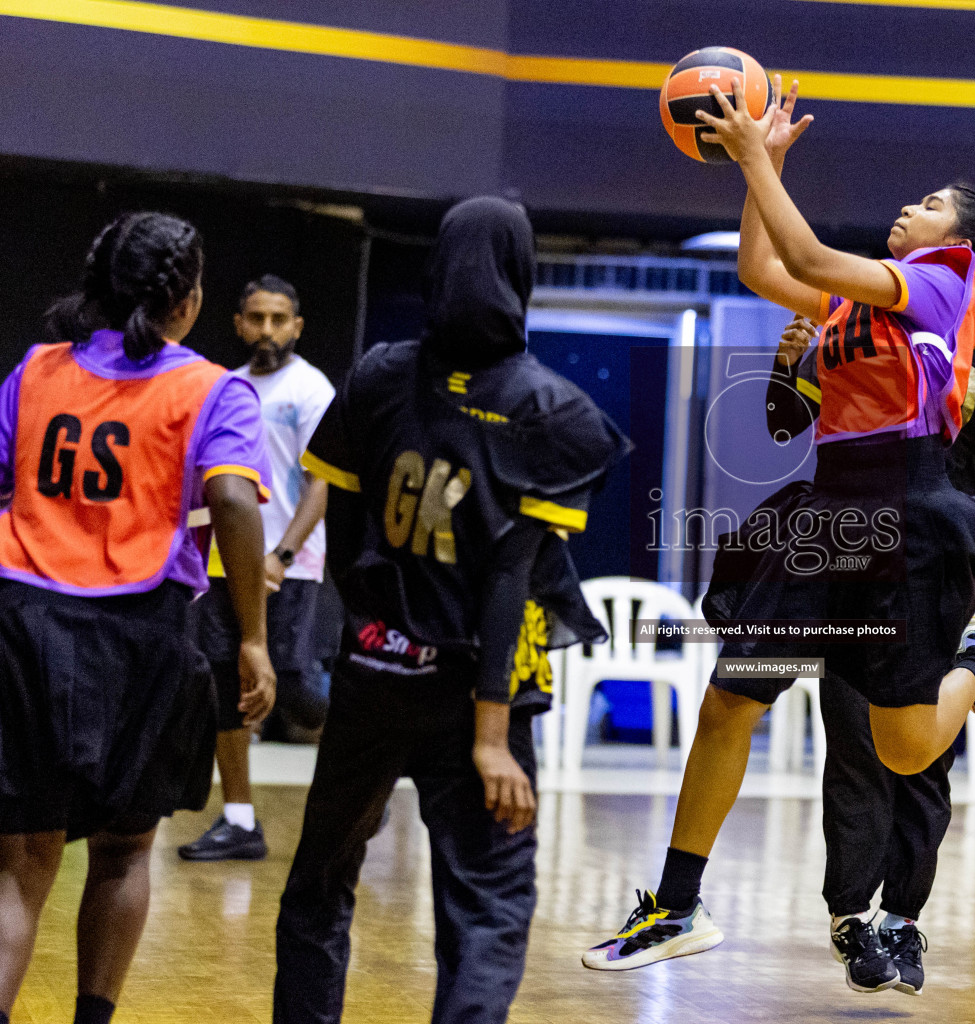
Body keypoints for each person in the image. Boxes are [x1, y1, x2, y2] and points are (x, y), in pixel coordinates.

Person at [584, 77, 975, 972]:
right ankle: (677, 905)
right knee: (732, 698)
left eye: (926, 206)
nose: (906, 210)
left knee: (903, 744)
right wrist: (758, 169)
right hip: (828, 515)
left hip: (907, 514)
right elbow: (766, 268)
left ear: (959, 238)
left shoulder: (949, 283)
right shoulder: (862, 299)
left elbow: (803, 252)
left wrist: (756, 156)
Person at [272, 196, 630, 1024]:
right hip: (481, 689)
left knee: (318, 885)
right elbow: (510, 577)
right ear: (522, 274)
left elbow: (352, 526)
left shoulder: (378, 373)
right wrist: (492, 734)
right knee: (487, 912)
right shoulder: (553, 410)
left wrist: (376, 628)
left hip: (375, 673)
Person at [0, 212, 276, 1024]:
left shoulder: (38, 368)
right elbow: (231, 496)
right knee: (124, 851)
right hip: (139, 633)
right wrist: (253, 636)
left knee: (18, 866)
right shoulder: (212, 388)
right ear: (188, 301)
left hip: (24, 625)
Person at [766, 316, 975, 993]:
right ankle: (851, 917)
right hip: (857, 555)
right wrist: (784, 362)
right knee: (855, 740)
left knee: (924, 760)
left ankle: (903, 920)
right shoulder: (850, 344)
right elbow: (781, 424)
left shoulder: (969, 350)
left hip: (939, 566)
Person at [179, 275, 337, 862]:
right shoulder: (227, 388)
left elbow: (323, 480)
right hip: (226, 565)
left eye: (278, 318)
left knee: (296, 687)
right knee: (227, 687)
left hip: (288, 569)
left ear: (296, 326)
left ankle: (363, 770)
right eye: (255, 318)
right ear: (239, 323)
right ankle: (240, 819)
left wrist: (283, 554)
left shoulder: (311, 388)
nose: (266, 328)